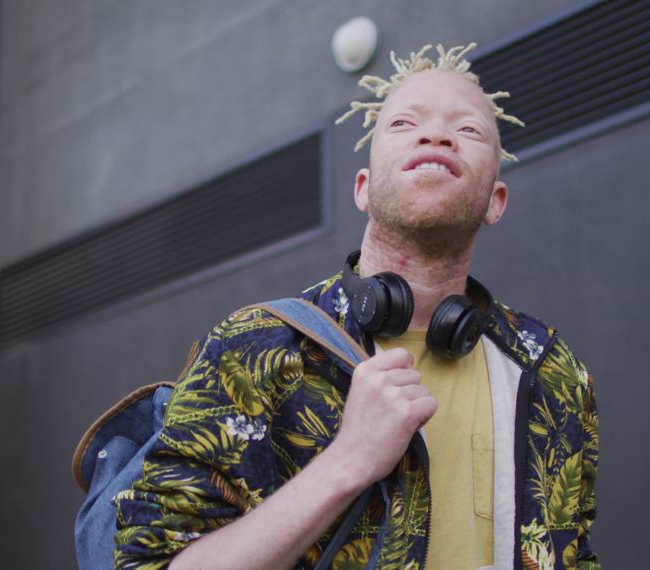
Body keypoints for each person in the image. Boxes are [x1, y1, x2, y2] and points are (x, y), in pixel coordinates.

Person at [113, 43, 599, 570]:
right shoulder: (254, 347)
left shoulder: (551, 369)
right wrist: (347, 462)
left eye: (468, 130)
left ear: (495, 202)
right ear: (363, 189)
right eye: (404, 123)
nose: (435, 135)